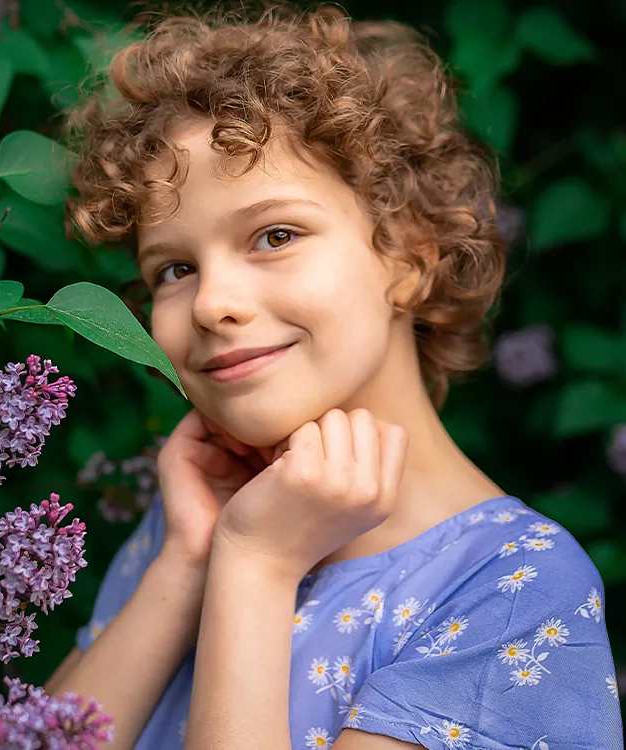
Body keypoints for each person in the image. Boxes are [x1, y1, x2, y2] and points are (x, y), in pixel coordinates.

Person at [46, 5, 624, 749]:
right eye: (175, 269)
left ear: (410, 258)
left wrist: (255, 567)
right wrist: (190, 558)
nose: (214, 303)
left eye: (274, 235)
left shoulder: (514, 592)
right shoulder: (203, 517)